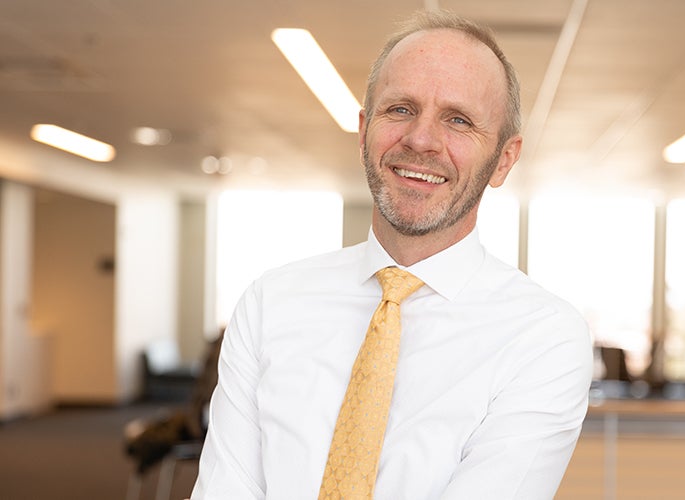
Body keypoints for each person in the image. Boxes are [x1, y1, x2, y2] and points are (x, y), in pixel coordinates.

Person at [191, 9, 593, 500]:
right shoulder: (269, 303)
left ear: (503, 159)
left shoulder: (544, 336)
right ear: (364, 130)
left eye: (459, 120)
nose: (421, 139)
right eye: (400, 109)